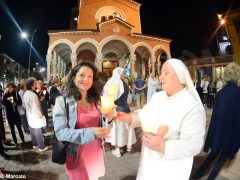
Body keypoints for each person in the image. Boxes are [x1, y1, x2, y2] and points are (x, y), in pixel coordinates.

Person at [116, 58, 206, 180]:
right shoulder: (158, 97)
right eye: (161, 73)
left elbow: (194, 144)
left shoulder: (191, 106)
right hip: (148, 164)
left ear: (180, 76)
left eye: (166, 73)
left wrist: (164, 146)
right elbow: (145, 115)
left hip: (171, 170)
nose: (161, 77)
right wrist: (127, 117)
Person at [53, 62, 111, 180]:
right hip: (77, 156)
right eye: (82, 75)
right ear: (74, 77)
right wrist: (92, 133)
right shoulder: (62, 101)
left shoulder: (96, 100)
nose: (86, 79)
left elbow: (102, 124)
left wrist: (108, 118)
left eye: (90, 76)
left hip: (95, 153)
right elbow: (60, 132)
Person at [193, 62, 240, 180]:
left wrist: (211, 139)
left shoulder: (221, 93)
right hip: (230, 136)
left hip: (218, 134)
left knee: (210, 158)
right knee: (219, 164)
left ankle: (195, 177)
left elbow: (215, 118)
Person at [103, 67, 136, 158]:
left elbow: (107, 96)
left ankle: (117, 149)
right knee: (124, 129)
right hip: (125, 109)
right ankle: (126, 147)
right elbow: (128, 99)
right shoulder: (124, 84)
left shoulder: (111, 83)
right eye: (123, 73)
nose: (125, 74)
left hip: (116, 109)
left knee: (117, 131)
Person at [23, 77, 48, 152]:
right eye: (35, 83)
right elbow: (37, 107)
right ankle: (41, 146)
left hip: (29, 114)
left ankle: (35, 144)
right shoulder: (33, 95)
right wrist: (41, 115)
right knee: (38, 131)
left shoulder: (25, 93)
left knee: (32, 129)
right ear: (32, 85)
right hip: (35, 115)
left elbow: (24, 105)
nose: (36, 85)